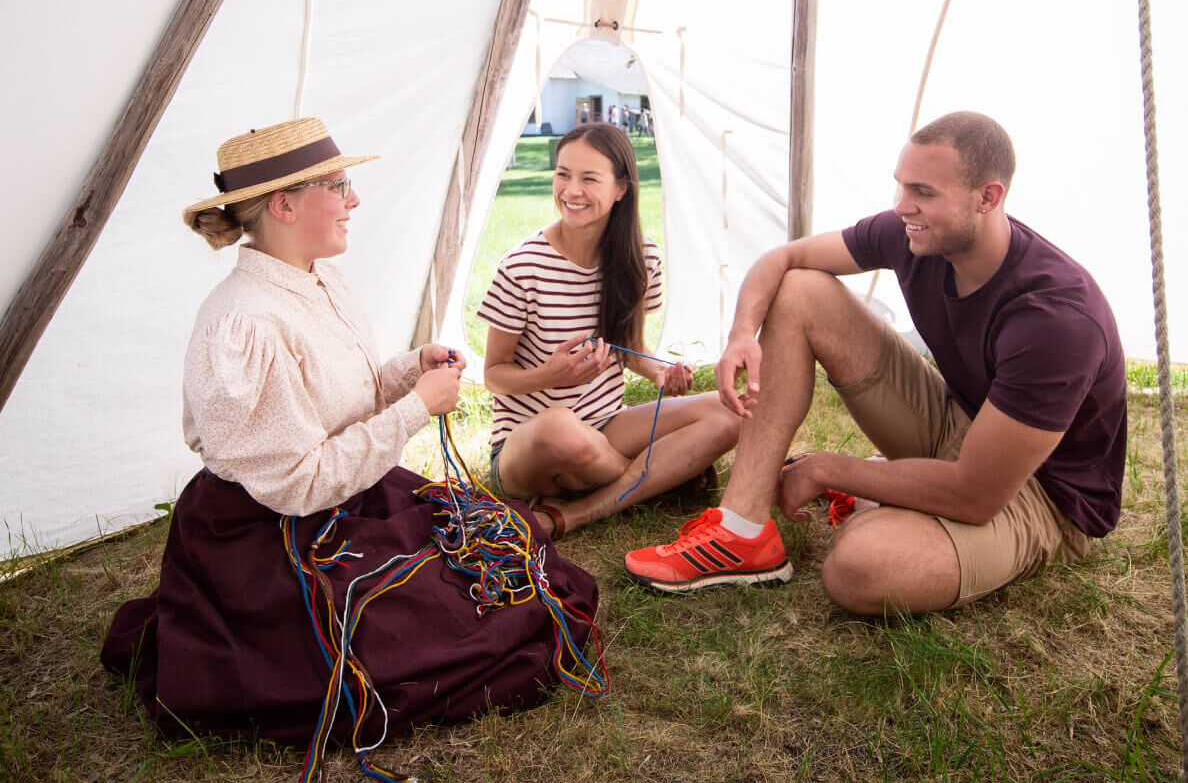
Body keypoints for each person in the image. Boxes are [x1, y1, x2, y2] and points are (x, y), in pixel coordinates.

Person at [101, 118, 598, 746]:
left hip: (345, 496)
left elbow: (333, 402)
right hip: (270, 534)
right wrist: (416, 408)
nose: (354, 200)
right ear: (283, 205)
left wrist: (409, 370)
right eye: (337, 186)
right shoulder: (244, 322)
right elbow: (297, 482)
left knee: (505, 564)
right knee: (449, 629)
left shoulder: (316, 276)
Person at [626, 111, 1126, 613]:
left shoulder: (1056, 320)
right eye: (901, 185)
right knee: (801, 289)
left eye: (923, 192)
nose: (902, 206)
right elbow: (783, 259)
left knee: (861, 567)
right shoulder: (914, 233)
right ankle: (741, 530)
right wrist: (741, 334)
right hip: (964, 425)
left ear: (988, 198)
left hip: (1039, 494)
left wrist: (828, 470)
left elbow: (975, 495)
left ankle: (885, 492)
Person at [477, 123, 740, 538]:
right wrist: (550, 376)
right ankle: (660, 479)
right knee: (559, 425)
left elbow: (629, 347)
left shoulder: (642, 256)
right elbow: (494, 374)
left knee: (731, 411)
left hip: (604, 427)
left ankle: (576, 512)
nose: (571, 190)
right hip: (529, 445)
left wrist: (660, 372)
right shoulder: (522, 266)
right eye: (563, 174)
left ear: (621, 189)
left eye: (589, 178)